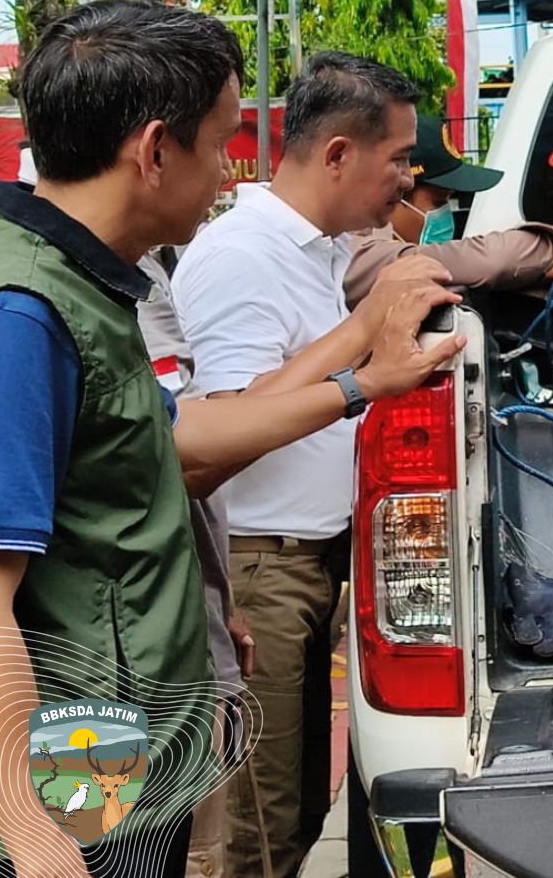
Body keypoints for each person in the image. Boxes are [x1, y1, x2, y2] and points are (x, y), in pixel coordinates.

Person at [0, 2, 462, 878]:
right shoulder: (22, 313)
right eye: (223, 139)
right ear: (156, 150)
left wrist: (360, 382)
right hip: (72, 746)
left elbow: (172, 446)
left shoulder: (87, 286)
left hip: (119, 722)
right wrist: (37, 835)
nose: (233, 167)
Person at [170, 52, 464, 877]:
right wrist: (361, 347)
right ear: (336, 154)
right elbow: (219, 427)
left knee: (295, 816)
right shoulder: (242, 254)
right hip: (262, 567)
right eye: (399, 159)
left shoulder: (319, 251)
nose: (409, 181)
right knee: (255, 837)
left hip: (302, 568)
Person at [343, 114, 553, 307]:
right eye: (438, 201)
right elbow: (481, 261)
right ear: (395, 194)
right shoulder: (354, 252)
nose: (444, 214)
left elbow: (471, 272)